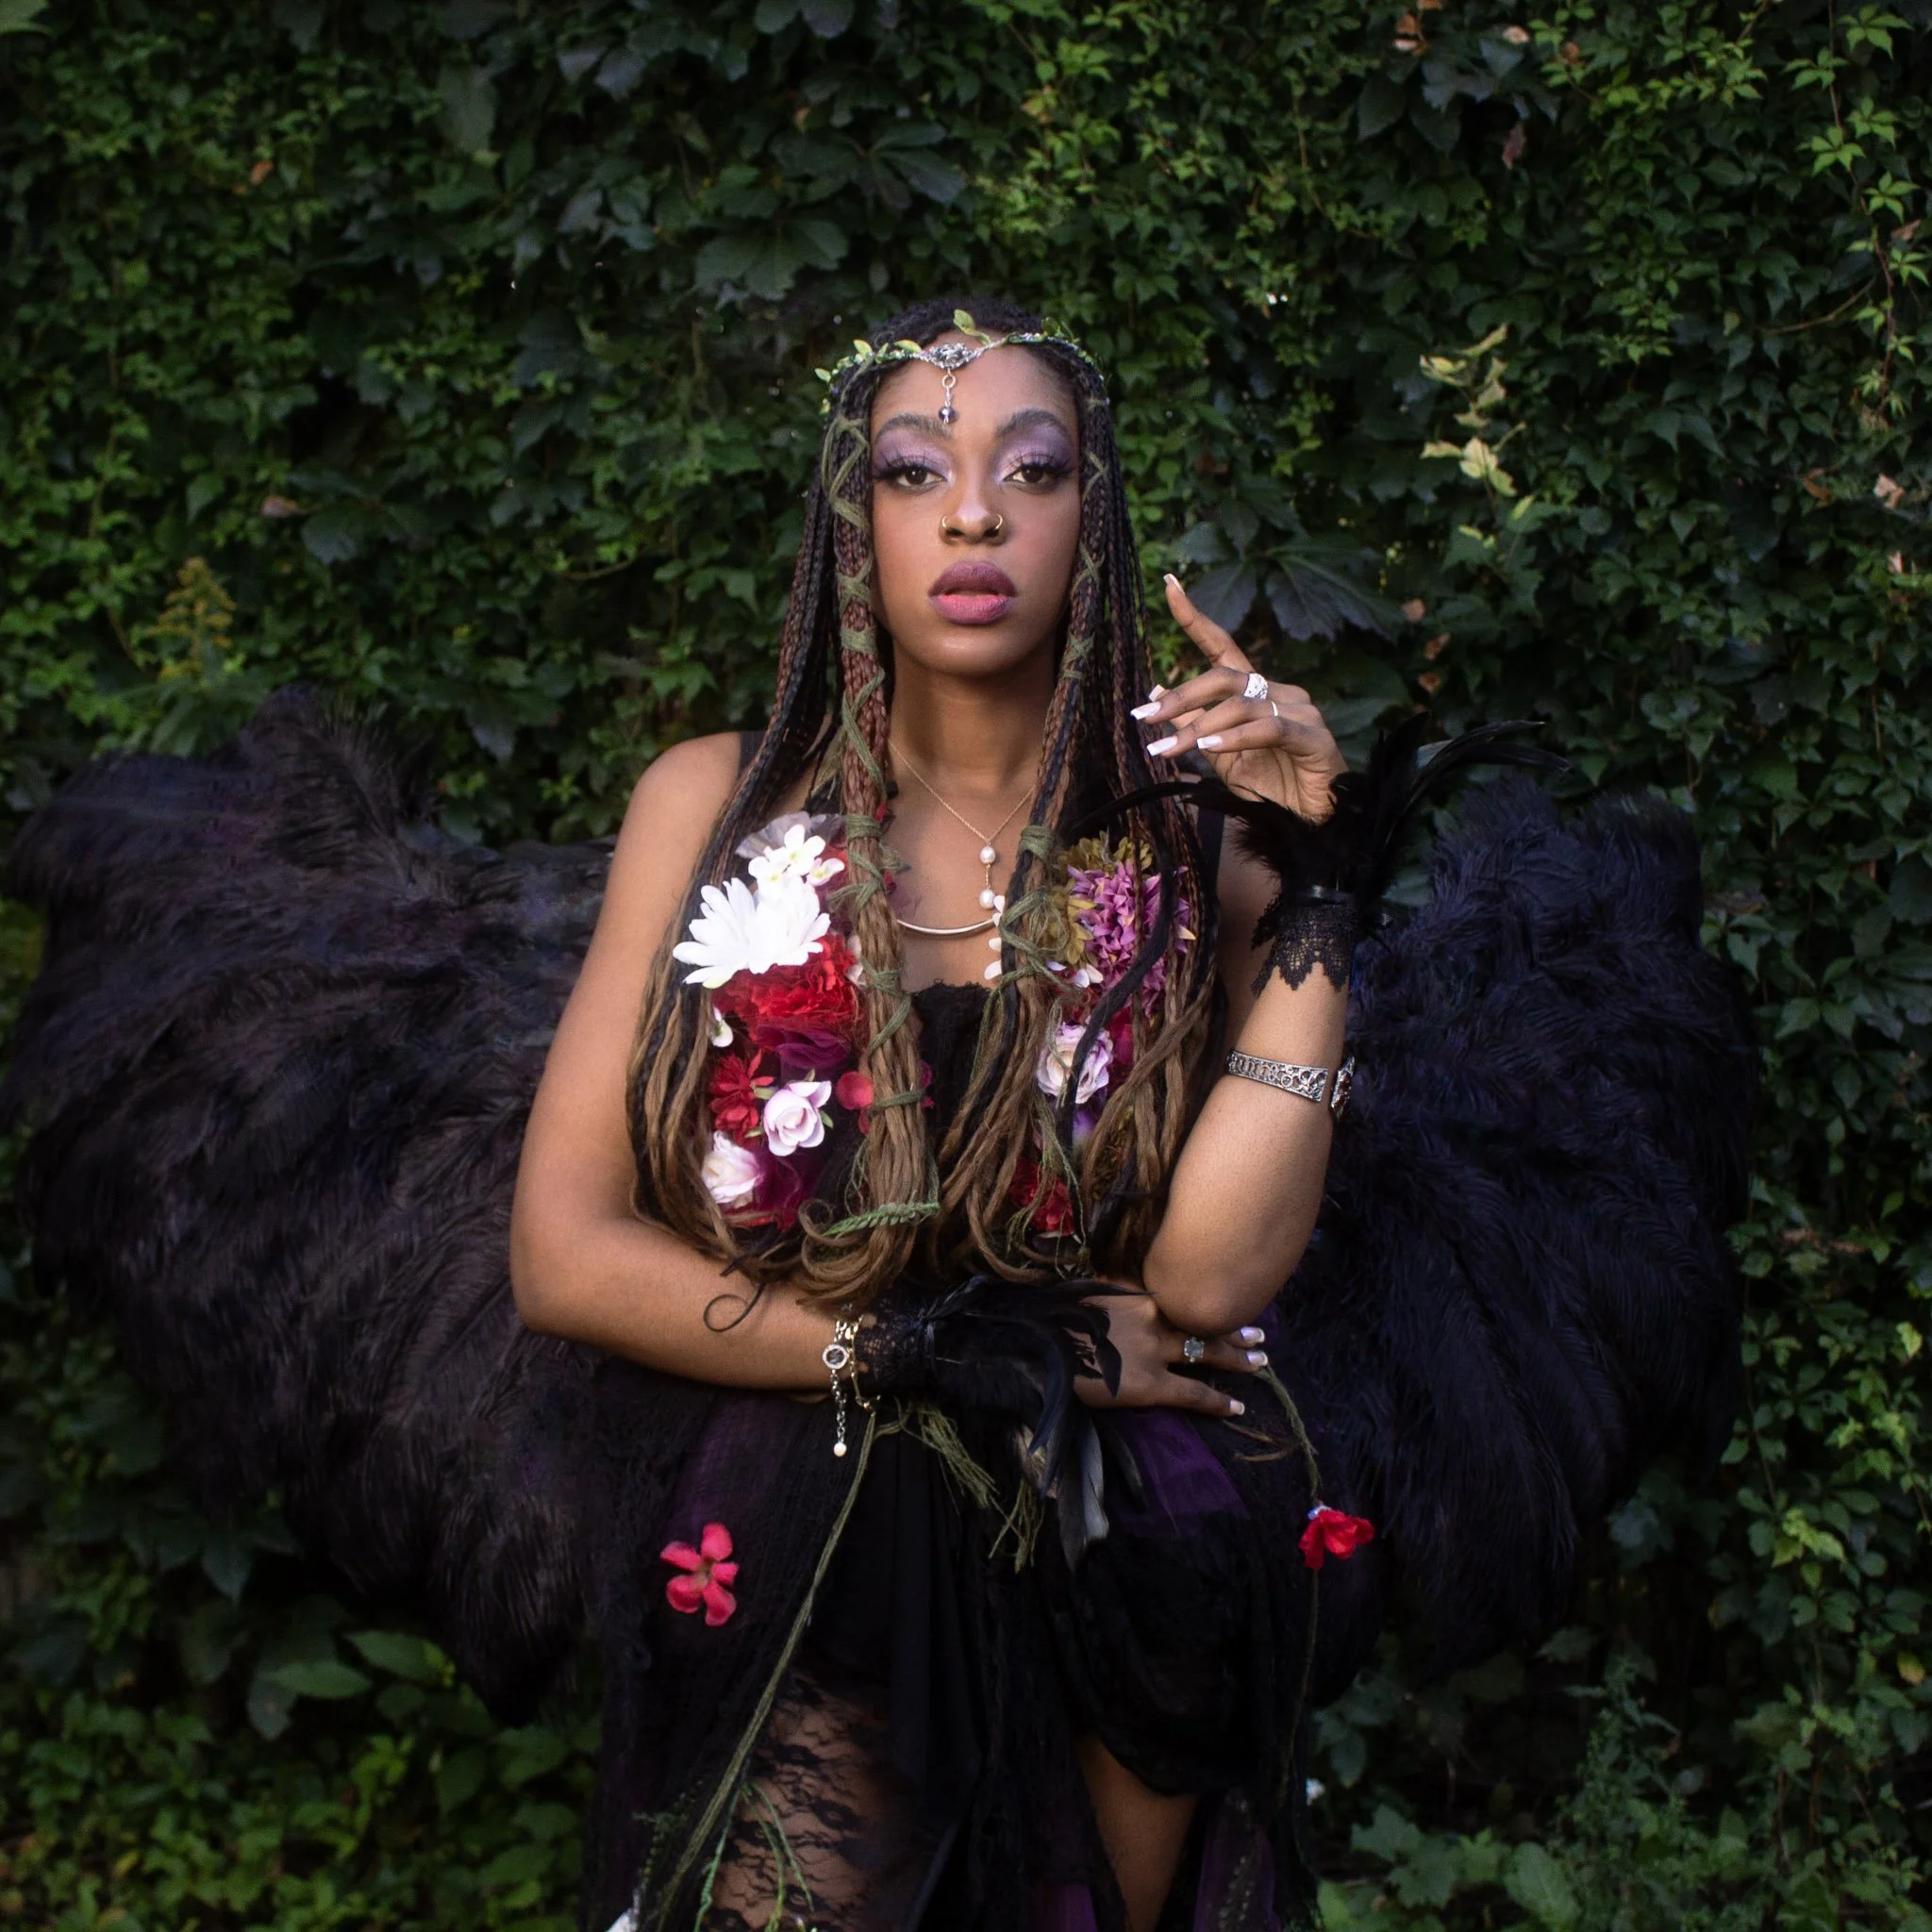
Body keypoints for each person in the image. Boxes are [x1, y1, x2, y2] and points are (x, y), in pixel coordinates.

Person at [1, 296, 1756, 1932]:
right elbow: (560, 1253)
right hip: (806, 1493)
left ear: (1098, 520)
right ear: (860, 531)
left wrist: (1311, 887)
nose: (975, 517)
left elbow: (1215, 1283)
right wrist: (908, 1351)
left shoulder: (1194, 837)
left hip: (1125, 1534)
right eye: (917, 472)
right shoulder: (715, 803)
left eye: (1031, 470)